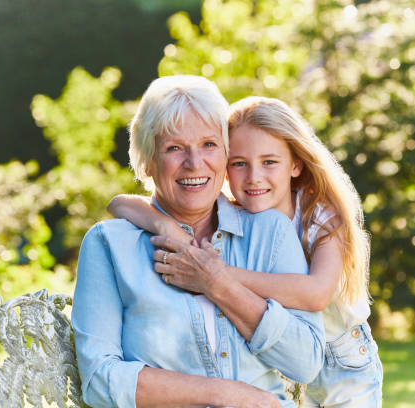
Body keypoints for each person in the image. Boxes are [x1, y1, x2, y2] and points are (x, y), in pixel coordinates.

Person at [108, 96, 383, 407]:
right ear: (225, 167)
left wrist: (215, 276)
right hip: (279, 361)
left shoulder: (317, 213)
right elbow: (119, 203)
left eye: (269, 162)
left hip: (341, 359)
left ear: (296, 164)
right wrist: (163, 225)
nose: (254, 177)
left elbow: (316, 294)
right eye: (239, 163)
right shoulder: (237, 216)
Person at [72, 77, 325, 408]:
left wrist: (218, 284)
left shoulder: (270, 232)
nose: (194, 163)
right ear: (147, 161)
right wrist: (225, 394)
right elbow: (100, 381)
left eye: (209, 144)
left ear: (225, 153)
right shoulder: (109, 246)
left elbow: (306, 363)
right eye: (174, 148)